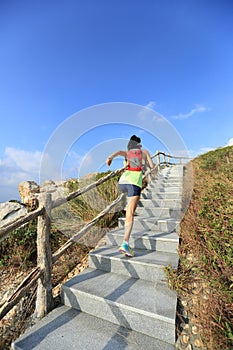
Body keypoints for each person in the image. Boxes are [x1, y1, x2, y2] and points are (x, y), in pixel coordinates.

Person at [106, 135, 154, 257]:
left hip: (122, 182)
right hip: (134, 182)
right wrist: (145, 167)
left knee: (130, 204)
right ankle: (125, 244)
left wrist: (109, 158)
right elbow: (152, 167)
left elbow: (117, 152)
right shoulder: (144, 152)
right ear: (139, 144)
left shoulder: (127, 153)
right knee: (130, 213)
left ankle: (126, 206)